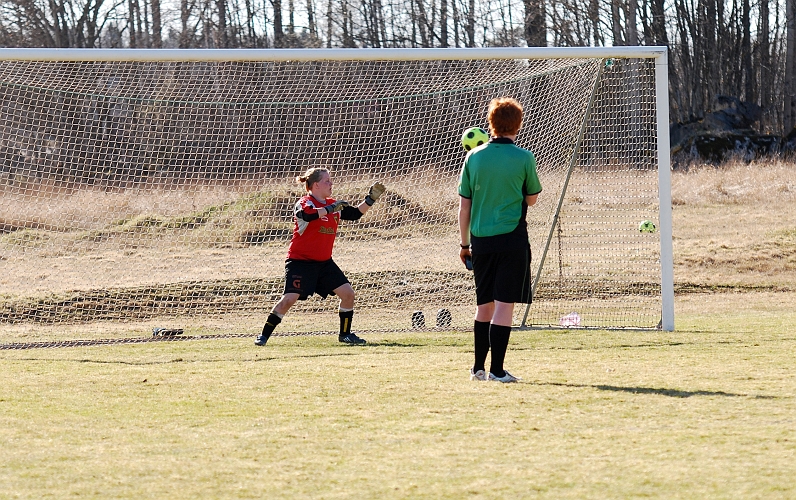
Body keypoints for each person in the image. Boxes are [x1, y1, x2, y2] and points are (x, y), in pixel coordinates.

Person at [457, 97, 542, 383]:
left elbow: (464, 207)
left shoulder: (473, 157)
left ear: (490, 124)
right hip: (512, 240)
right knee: (505, 305)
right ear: (518, 124)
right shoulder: (524, 157)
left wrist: (464, 244)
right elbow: (531, 199)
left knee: (484, 306)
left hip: (480, 242)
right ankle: (497, 370)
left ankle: (478, 368)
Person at [255, 168, 386, 346]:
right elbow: (307, 215)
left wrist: (371, 199)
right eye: (327, 181)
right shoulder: (305, 202)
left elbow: (355, 214)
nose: (331, 184)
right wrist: (330, 208)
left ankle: (345, 335)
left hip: (324, 263)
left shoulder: (334, 205)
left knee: (348, 294)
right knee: (288, 300)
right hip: (300, 262)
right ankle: (263, 336)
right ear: (316, 185)